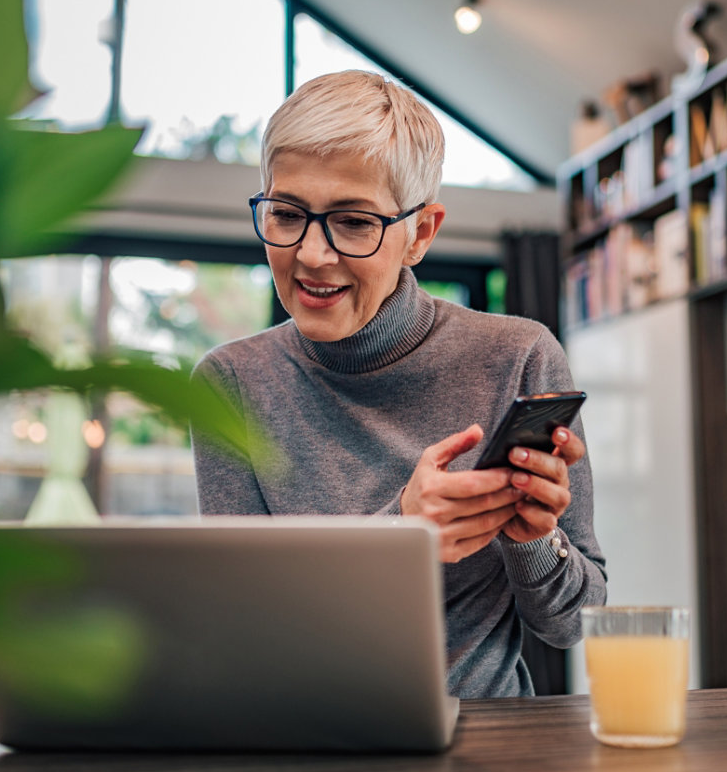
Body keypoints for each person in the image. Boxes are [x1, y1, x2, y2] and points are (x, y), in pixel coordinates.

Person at [192, 70, 606, 699]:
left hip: (486, 746)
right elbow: (237, 627)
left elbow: (574, 623)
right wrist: (401, 536)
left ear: (420, 233)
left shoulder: (517, 356)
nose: (311, 255)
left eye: (354, 222)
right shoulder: (230, 384)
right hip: (298, 742)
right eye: (286, 214)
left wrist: (535, 539)